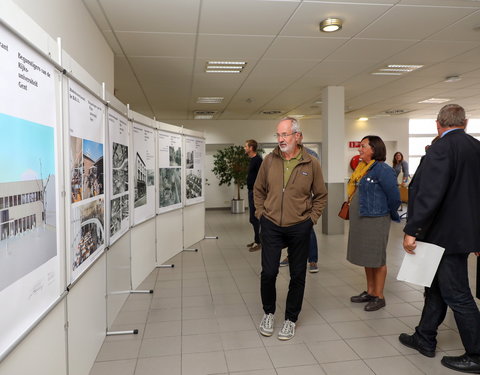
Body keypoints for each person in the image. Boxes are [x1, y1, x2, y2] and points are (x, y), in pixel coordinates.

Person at [398, 104, 480, 373]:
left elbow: (428, 195)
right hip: (463, 234)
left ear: (438, 124)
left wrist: (412, 231)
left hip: (442, 236)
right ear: (465, 123)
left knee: (457, 294)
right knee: (433, 287)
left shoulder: (441, 149)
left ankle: (477, 355)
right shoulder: (475, 148)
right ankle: (425, 336)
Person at [254, 117, 327, 340]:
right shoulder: (269, 160)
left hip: (299, 226)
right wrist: (261, 214)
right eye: (278, 135)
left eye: (285, 134)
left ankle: (290, 319)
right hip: (272, 225)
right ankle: (268, 313)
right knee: (268, 272)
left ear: (298, 136)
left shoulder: (311, 163)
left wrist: (310, 220)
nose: (280, 139)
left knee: (297, 275)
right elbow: (258, 191)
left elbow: (321, 196)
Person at [348, 136, 400, 312]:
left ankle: (379, 296)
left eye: (363, 146)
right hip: (363, 219)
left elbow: (394, 198)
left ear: (374, 149)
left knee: (377, 258)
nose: (359, 149)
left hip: (376, 219)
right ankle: (370, 292)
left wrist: (389, 213)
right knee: (367, 256)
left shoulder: (383, 170)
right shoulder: (363, 168)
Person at [279, 132, 320, 273]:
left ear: (300, 137)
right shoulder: (283, 155)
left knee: (308, 231)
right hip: (287, 204)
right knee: (291, 233)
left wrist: (313, 216)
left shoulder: (311, 155)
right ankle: (291, 257)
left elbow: (316, 182)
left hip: (304, 203)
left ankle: (313, 260)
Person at [244, 139, 263, 252]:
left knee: (255, 218)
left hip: (256, 192)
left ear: (251, 148)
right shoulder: (252, 159)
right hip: (251, 191)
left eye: (246, 146)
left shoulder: (258, 160)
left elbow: (262, 177)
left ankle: (259, 242)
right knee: (252, 218)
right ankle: (257, 239)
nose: (244, 148)